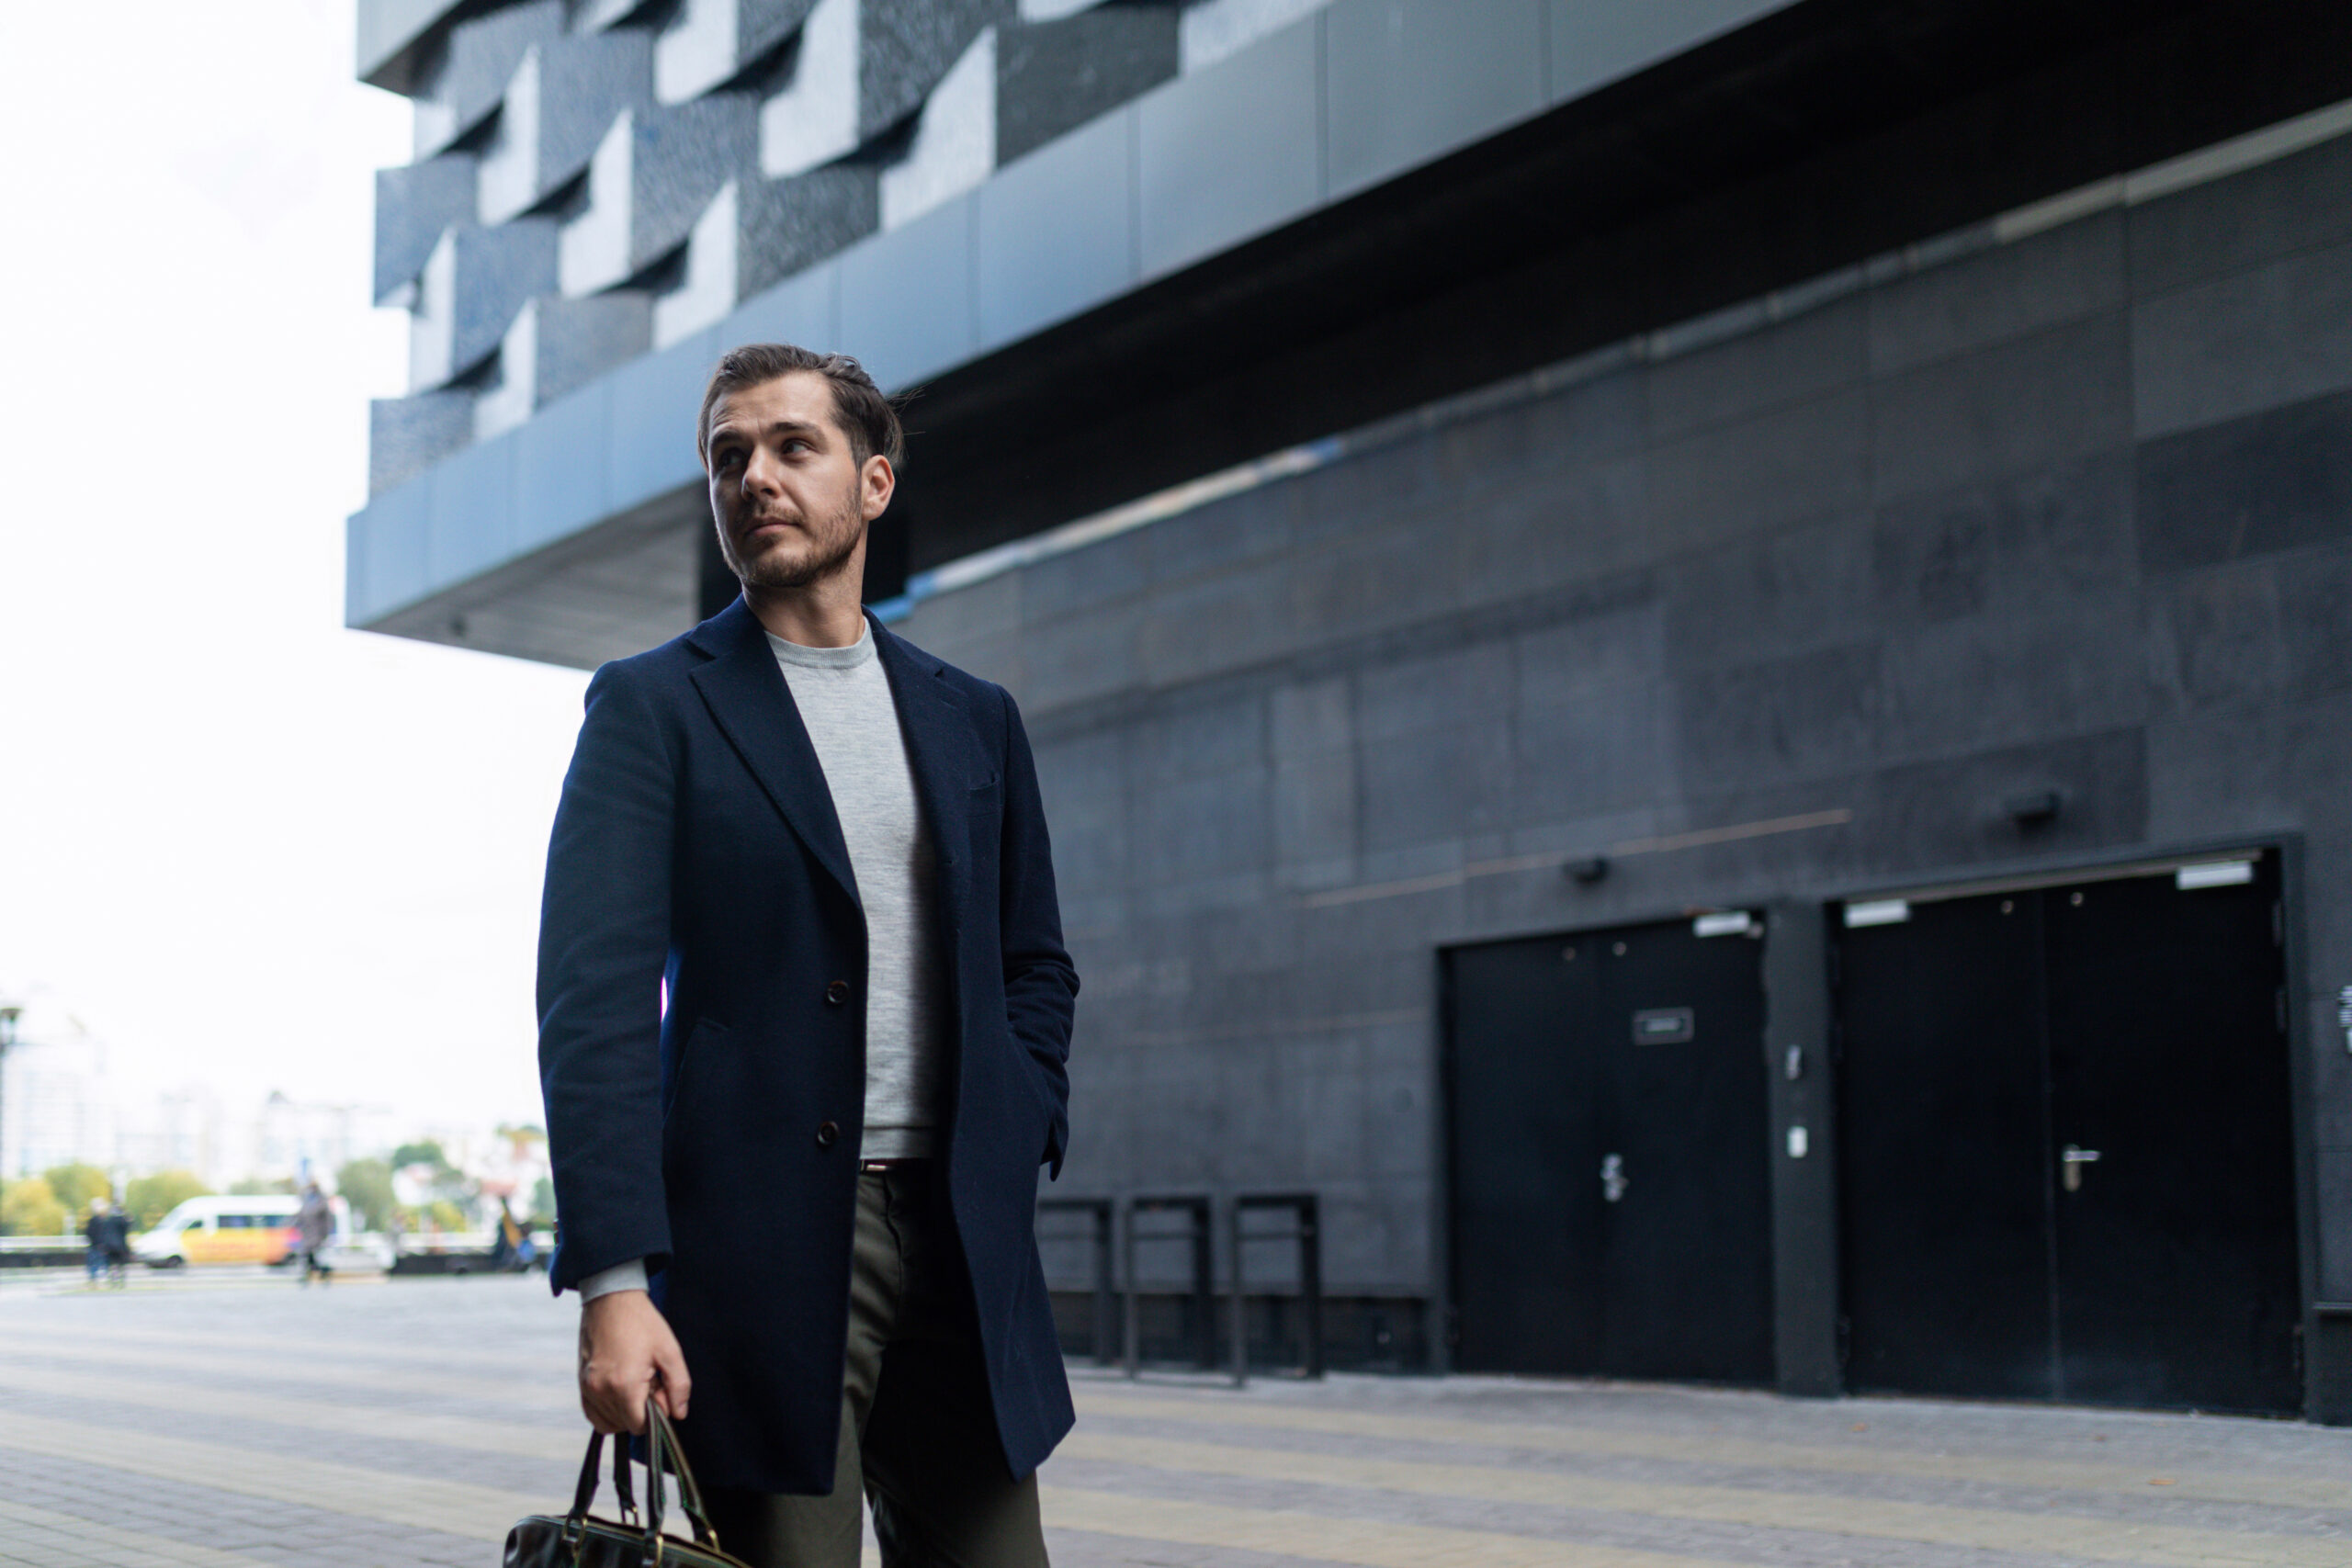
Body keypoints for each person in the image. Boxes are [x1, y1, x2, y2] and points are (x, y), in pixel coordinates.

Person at [538, 344, 1079, 1568]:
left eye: (793, 446)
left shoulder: (971, 713)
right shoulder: (653, 705)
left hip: (961, 1236)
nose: (754, 476)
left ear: (874, 481)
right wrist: (616, 1280)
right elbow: (595, 1003)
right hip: (757, 1258)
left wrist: (1025, 1105)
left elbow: (1034, 956)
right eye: (728, 456)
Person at [296, 1181, 334, 1286]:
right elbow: (301, 1216)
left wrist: (325, 1234)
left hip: (317, 1235)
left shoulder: (321, 1201)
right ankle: (321, 1273)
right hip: (308, 1234)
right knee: (309, 1256)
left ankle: (319, 1273)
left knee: (312, 1255)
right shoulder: (307, 1201)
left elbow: (327, 1219)